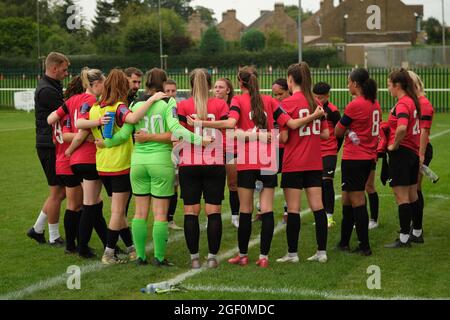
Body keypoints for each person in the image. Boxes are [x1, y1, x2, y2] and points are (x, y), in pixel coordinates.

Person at [189, 66, 319, 268]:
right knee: (267, 209)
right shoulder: (270, 100)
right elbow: (291, 123)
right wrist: (314, 116)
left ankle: (242, 255)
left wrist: (202, 123)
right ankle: (264, 257)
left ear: (240, 83)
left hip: (247, 161)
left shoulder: (238, 100)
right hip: (268, 160)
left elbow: (230, 124)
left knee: (245, 210)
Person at [97, 68, 209, 267]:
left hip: (138, 162)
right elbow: (176, 129)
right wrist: (201, 140)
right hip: (160, 162)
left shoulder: (135, 103)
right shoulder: (167, 101)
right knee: (160, 214)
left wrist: (106, 143)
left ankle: (140, 257)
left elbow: (124, 135)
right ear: (164, 83)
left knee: (139, 213)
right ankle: (158, 258)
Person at [76, 69, 165, 264]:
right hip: (120, 165)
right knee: (118, 212)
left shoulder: (95, 108)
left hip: (103, 165)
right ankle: (109, 253)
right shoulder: (118, 107)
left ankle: (131, 247)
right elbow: (132, 119)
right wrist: (151, 100)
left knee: (118, 210)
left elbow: (81, 124)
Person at [48, 68, 108, 258]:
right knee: (87, 204)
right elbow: (82, 126)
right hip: (85, 156)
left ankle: (97, 243)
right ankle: (80, 247)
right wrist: (86, 136)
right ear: (96, 84)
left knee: (88, 204)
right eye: (103, 83)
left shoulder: (72, 101)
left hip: (69, 159)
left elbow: (51, 119)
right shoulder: (90, 101)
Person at [275, 63, 330, 264]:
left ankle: (292, 253)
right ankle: (322, 252)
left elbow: (285, 138)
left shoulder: (287, 104)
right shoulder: (315, 101)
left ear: (290, 80)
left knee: (293, 209)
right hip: (314, 161)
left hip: (294, 162)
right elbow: (325, 134)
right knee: (318, 206)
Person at [177, 69, 229, 269]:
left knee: (191, 211)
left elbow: (179, 134)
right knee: (213, 211)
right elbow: (227, 127)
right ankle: (212, 257)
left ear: (191, 85)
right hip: (214, 163)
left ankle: (194, 258)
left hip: (189, 163)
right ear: (209, 85)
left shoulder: (183, 105)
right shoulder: (220, 104)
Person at [335, 68, 381, 256]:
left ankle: (364, 246)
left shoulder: (355, 105)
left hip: (355, 158)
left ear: (355, 84)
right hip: (368, 156)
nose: (347, 85)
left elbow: (338, 130)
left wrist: (346, 131)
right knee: (347, 199)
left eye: (349, 82)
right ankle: (344, 241)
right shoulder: (375, 103)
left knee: (357, 201)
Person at [28, 52, 69, 246]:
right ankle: (53, 236)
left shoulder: (51, 86)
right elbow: (65, 112)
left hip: (50, 144)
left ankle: (37, 229)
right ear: (53, 68)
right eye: (64, 69)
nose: (66, 73)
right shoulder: (47, 90)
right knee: (57, 192)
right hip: (48, 145)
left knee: (61, 192)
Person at [384, 69, 421, 248]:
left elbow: (401, 127)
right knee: (413, 194)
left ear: (397, 85)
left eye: (389, 85)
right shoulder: (412, 101)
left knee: (402, 197)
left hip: (403, 154)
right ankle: (416, 232)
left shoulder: (403, 103)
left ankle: (404, 238)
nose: (388, 88)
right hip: (412, 153)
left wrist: (394, 145)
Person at [408, 70, 434, 244]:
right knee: (413, 190)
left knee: (415, 190)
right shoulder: (415, 102)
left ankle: (417, 231)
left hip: (420, 150)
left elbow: (424, 131)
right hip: (415, 149)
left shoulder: (423, 103)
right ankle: (414, 226)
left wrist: (421, 155)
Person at [313, 82, 342, 229]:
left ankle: (329, 216)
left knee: (327, 182)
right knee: (317, 185)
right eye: (316, 96)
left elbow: (340, 131)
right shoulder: (311, 109)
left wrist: (335, 148)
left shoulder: (333, 111)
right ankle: (321, 214)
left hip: (329, 151)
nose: (318, 99)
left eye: (321, 97)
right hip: (315, 151)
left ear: (327, 96)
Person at [214, 77, 240, 228]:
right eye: (216, 87)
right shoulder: (211, 105)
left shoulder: (234, 107)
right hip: (214, 151)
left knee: (233, 184)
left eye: (221, 87)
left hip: (232, 150)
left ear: (228, 90)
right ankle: (213, 216)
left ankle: (235, 216)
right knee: (215, 186)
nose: (217, 89)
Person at [162, 79, 183, 231]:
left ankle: (170, 219)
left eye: (173, 91)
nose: (170, 94)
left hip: (178, 152)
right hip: (164, 152)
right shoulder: (161, 108)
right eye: (167, 91)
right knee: (165, 186)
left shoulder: (179, 108)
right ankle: (162, 218)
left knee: (175, 186)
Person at [272, 78, 290, 224]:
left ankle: (287, 211)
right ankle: (262, 210)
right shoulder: (272, 105)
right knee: (265, 181)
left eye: (280, 94)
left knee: (287, 182)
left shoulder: (291, 105)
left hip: (288, 148)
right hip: (272, 148)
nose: (278, 97)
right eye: (275, 94)